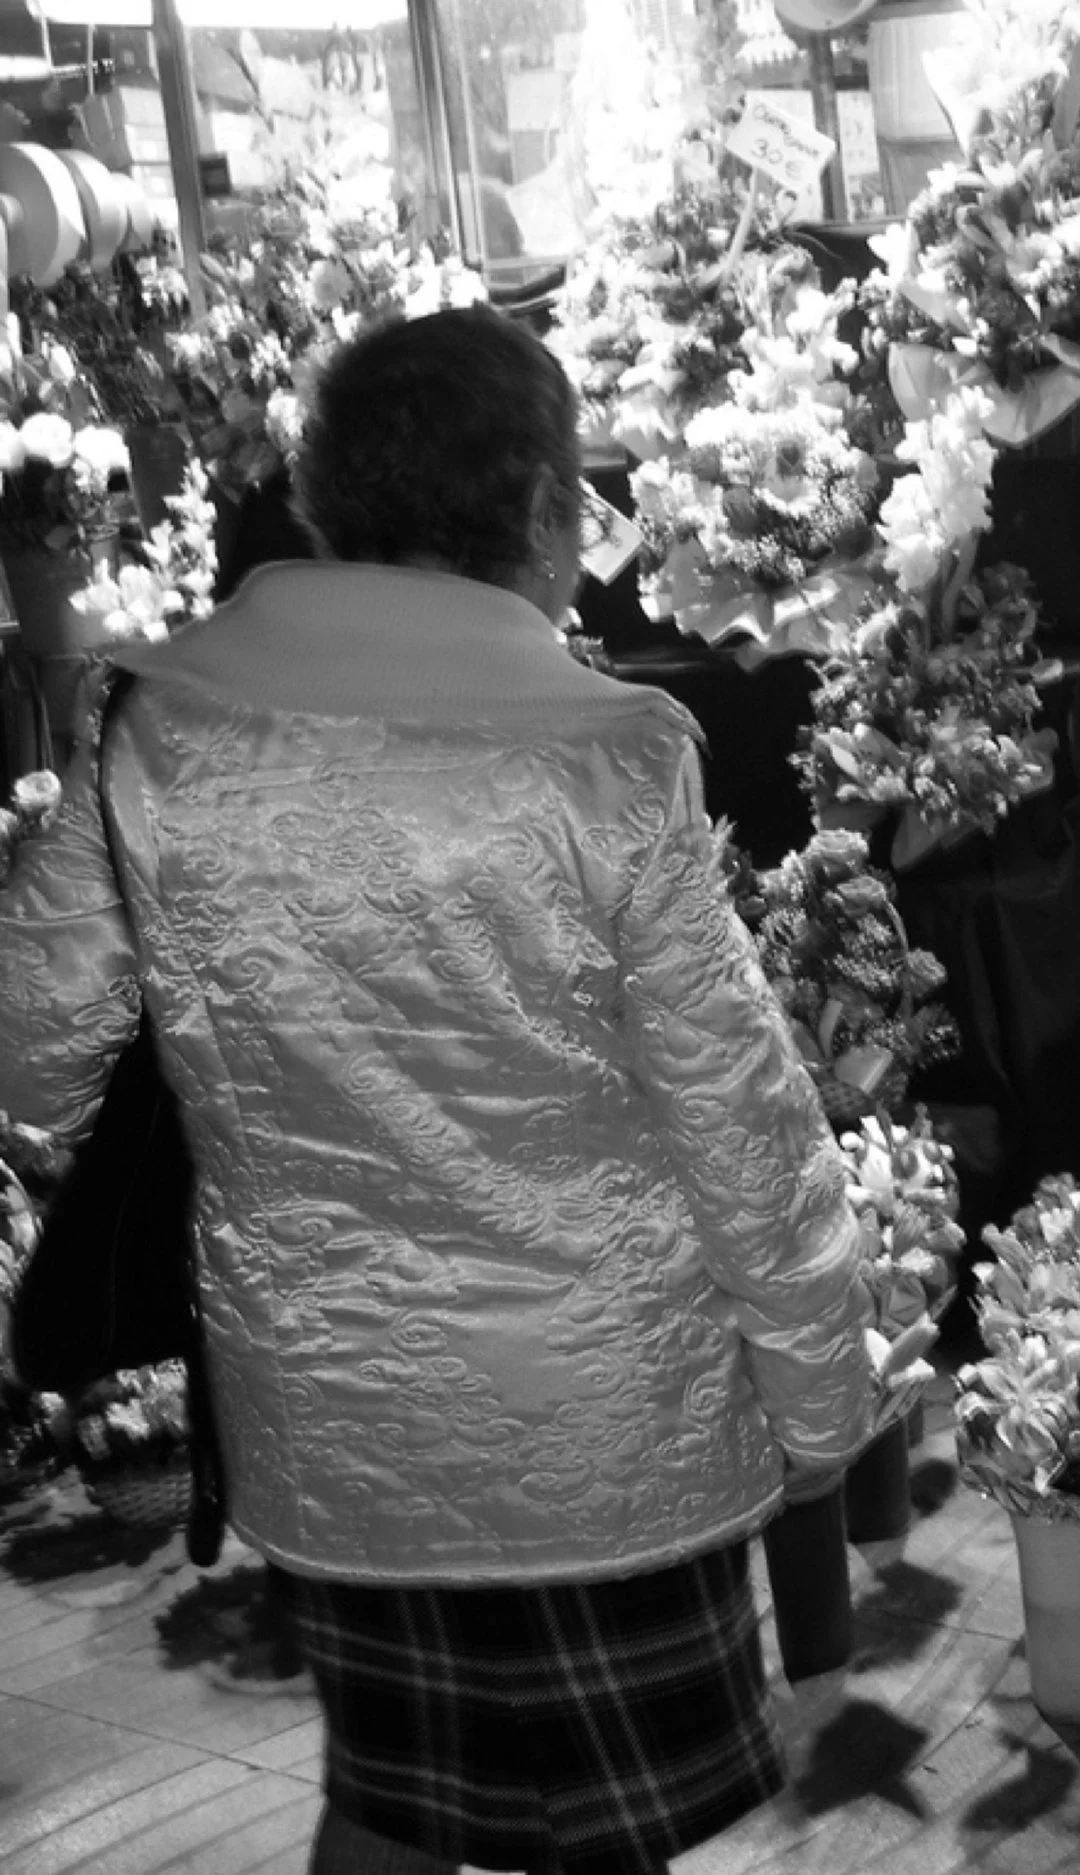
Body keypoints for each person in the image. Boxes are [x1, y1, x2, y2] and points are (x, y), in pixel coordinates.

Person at [0, 307, 876, 1875]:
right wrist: (822, 1395)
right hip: (605, 1420)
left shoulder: (157, 725)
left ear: (329, 499)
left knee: (394, 1804)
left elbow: (31, 1048)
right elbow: (740, 1124)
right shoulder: (603, 756)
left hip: (335, 1407)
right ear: (542, 512)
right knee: (603, 1833)